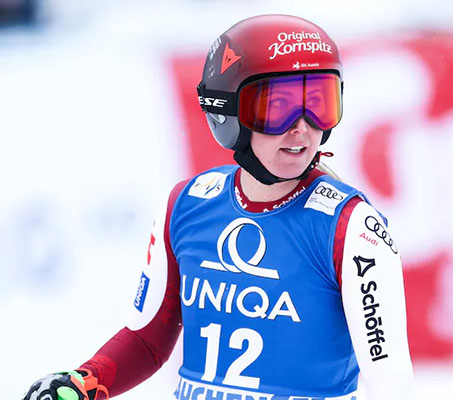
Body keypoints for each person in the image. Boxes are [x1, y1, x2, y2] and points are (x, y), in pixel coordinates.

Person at [22, 14, 414, 400]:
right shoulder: (187, 205)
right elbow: (147, 340)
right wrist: (84, 382)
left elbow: (389, 381)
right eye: (277, 107)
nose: (302, 127)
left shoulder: (351, 228)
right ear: (228, 112)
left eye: (319, 104)